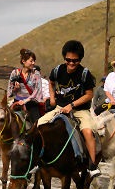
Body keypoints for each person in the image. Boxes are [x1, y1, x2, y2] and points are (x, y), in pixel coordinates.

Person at [37, 40, 101, 178]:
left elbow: (89, 94)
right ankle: (38, 159)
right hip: (60, 107)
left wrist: (71, 106)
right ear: (64, 57)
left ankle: (92, 164)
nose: (71, 63)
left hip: (80, 110)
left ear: (80, 59)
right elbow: (51, 82)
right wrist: (52, 98)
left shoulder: (85, 74)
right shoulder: (57, 70)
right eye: (68, 60)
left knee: (88, 132)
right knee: (39, 124)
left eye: (75, 61)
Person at [7, 49, 43, 123]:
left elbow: (37, 90)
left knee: (37, 125)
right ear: (23, 61)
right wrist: (15, 89)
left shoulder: (36, 74)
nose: (33, 63)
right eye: (31, 61)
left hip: (31, 103)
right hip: (17, 102)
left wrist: (25, 101)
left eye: (34, 61)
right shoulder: (15, 73)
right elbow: (10, 90)